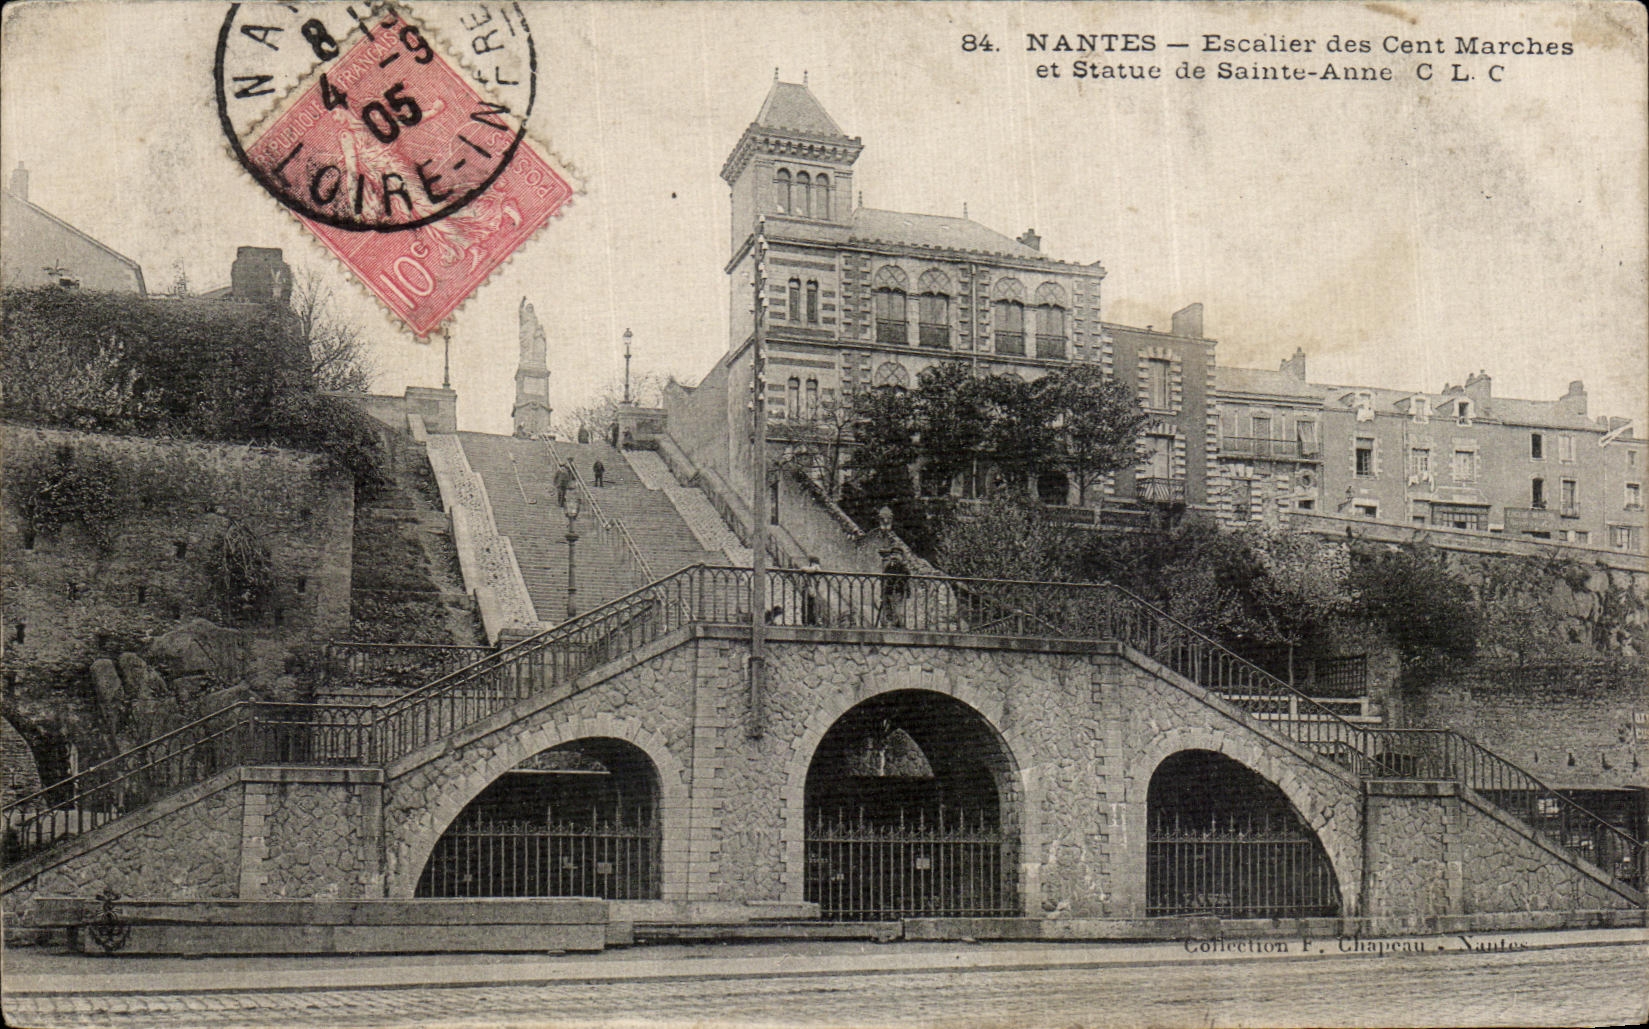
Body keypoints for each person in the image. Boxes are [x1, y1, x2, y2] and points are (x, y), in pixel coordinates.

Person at [879, 553, 909, 628]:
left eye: (896, 558)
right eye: (892, 557)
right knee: (887, 609)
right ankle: (887, 624)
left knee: (897, 610)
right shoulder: (889, 566)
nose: (894, 559)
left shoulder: (902, 567)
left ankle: (898, 625)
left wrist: (898, 581)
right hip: (888, 591)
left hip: (898, 591)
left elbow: (906, 575)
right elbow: (883, 577)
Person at [801, 555, 822, 626]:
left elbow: (811, 569)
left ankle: (814, 622)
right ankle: (807, 621)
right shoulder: (814, 567)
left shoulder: (816, 567)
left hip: (813, 590)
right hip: (809, 590)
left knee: (814, 606)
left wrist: (804, 568)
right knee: (807, 606)